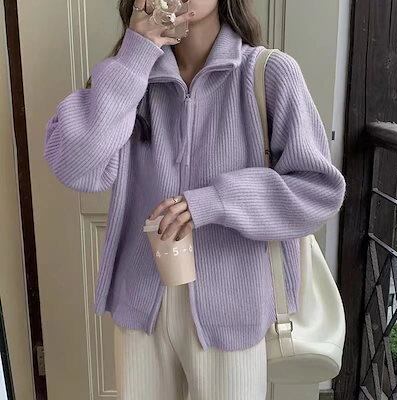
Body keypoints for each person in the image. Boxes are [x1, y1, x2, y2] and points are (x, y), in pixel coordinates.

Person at [43, 0, 347, 398]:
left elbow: (318, 189)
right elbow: (73, 165)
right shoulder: (130, 76)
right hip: (141, 305)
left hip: (233, 307)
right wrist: (135, 56)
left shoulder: (268, 73)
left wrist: (215, 201)